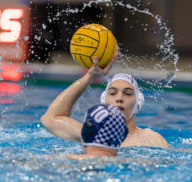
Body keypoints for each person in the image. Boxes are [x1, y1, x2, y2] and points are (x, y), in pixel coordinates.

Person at [41, 56, 170, 148]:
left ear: (138, 103)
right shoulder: (91, 134)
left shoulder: (150, 139)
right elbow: (50, 118)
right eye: (113, 93)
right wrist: (88, 78)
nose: (119, 98)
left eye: (128, 93)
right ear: (104, 101)